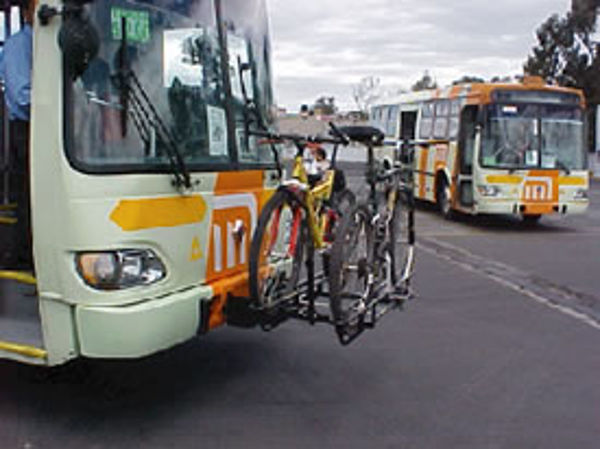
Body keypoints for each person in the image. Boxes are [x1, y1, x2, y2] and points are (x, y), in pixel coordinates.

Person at [0, 0, 35, 269]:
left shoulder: (47, 45)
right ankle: (22, 255)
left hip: (46, 126)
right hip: (27, 129)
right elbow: (22, 98)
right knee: (28, 194)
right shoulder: (17, 46)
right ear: (26, 12)